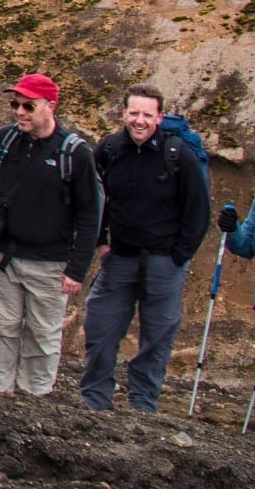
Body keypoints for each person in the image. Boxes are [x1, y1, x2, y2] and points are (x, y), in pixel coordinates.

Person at [0, 73, 103, 395]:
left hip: (51, 264)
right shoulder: (4, 141)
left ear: (50, 106)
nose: (19, 111)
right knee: (0, 328)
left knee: (42, 335)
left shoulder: (75, 154)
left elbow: (90, 214)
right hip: (4, 256)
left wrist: (77, 268)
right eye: (15, 104)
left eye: (28, 106)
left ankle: (34, 398)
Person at [78, 84, 210, 412]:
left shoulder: (179, 154)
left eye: (147, 115)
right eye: (134, 113)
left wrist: (180, 256)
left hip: (165, 262)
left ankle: (143, 405)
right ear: (123, 113)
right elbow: (89, 200)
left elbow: (199, 211)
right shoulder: (108, 150)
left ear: (160, 117)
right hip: (119, 257)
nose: (140, 121)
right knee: (100, 326)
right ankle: (95, 399)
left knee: (158, 336)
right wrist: (100, 242)